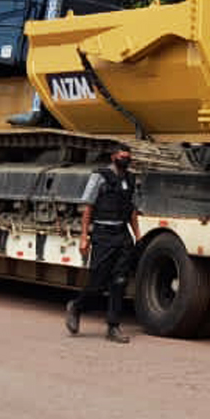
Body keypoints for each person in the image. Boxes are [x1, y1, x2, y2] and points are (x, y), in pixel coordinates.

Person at [65, 144, 140, 343]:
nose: (126, 160)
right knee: (97, 283)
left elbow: (132, 210)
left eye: (128, 157)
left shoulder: (131, 179)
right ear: (114, 157)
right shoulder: (100, 176)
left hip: (122, 234)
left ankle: (113, 327)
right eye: (122, 157)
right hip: (103, 234)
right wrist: (84, 237)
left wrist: (138, 235)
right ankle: (76, 307)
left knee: (120, 281)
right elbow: (88, 207)